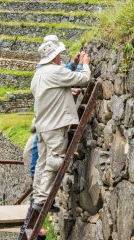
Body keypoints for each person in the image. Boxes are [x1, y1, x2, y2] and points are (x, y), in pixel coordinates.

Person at [30, 37, 91, 212]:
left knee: (42, 162)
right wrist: (84, 63)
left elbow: (51, 92)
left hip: (42, 125)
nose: (61, 57)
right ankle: (42, 200)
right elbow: (84, 78)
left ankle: (37, 196)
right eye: (59, 54)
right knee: (55, 160)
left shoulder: (38, 75)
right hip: (55, 125)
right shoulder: (55, 72)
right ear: (55, 56)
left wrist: (65, 90)